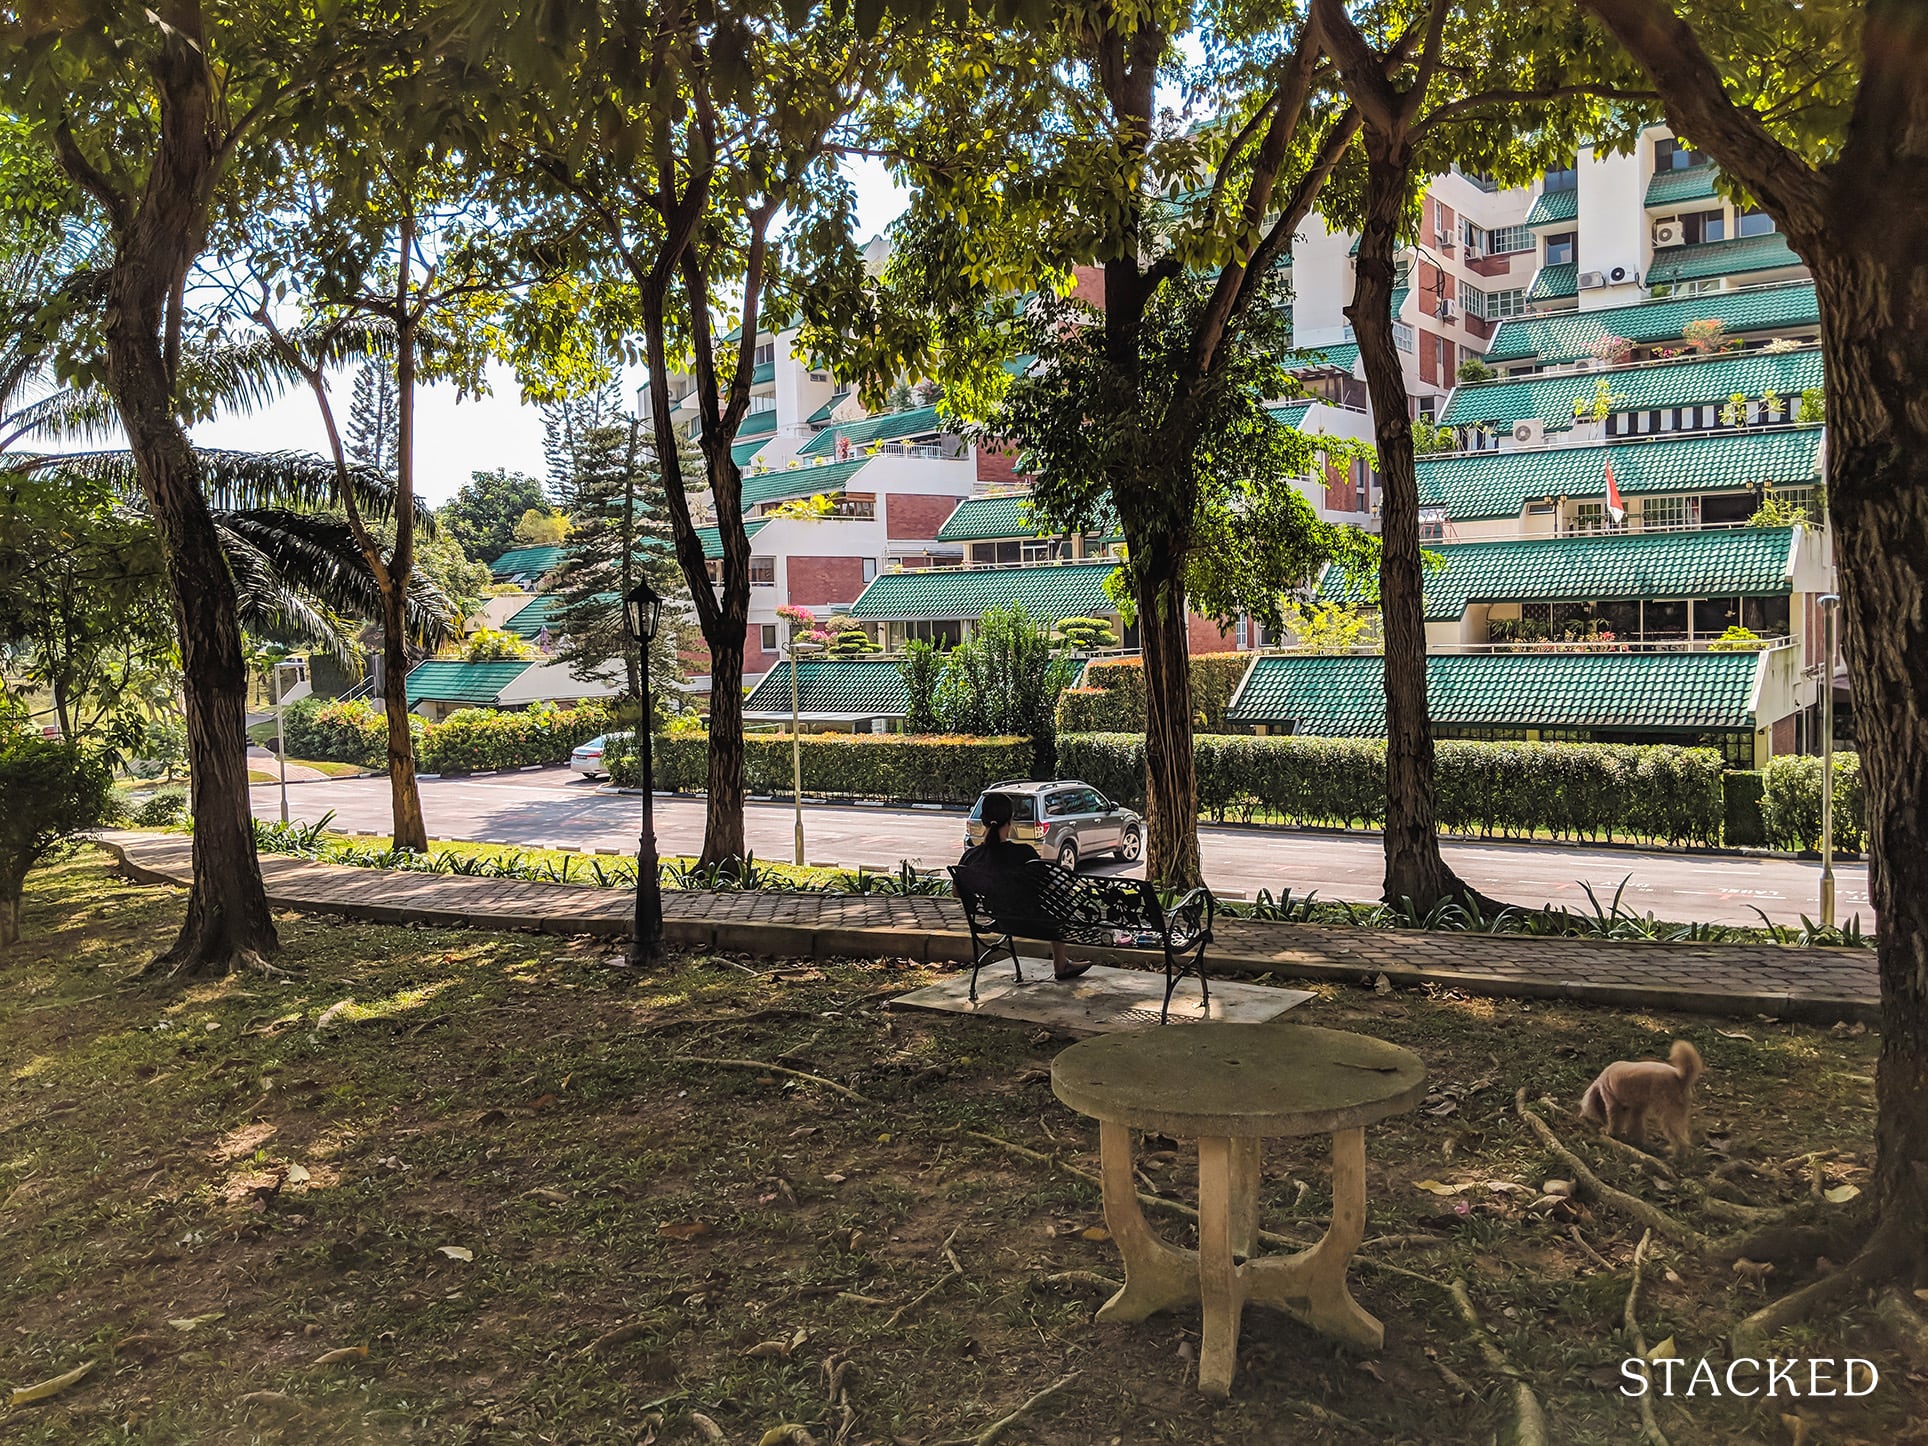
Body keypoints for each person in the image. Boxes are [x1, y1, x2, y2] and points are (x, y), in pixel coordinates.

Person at [955, 792, 1092, 980]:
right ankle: (1060, 964)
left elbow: (957, 892)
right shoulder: (1024, 853)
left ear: (984, 820)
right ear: (1010, 820)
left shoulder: (970, 857)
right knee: (1060, 905)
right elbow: (1048, 887)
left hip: (996, 922)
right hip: (1035, 924)